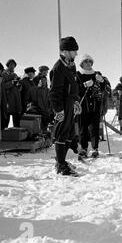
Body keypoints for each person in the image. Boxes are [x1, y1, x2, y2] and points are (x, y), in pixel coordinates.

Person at [49, 36, 82, 176]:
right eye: (74, 51)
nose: (76, 54)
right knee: (62, 134)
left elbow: (73, 86)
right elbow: (54, 92)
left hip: (70, 103)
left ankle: (61, 160)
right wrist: (58, 110)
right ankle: (61, 165)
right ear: (66, 51)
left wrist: (76, 102)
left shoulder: (70, 65)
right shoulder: (58, 68)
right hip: (62, 104)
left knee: (69, 133)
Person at [76, 54, 106, 159]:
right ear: (82, 63)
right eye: (86, 62)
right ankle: (84, 148)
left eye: (90, 62)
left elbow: (104, 88)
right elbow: (75, 90)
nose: (88, 64)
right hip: (83, 106)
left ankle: (95, 148)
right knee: (82, 128)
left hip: (95, 105)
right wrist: (84, 85)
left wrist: (102, 81)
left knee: (94, 128)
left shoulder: (97, 74)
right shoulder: (78, 75)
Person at [1, 59, 22, 128]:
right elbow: (3, 86)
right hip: (7, 100)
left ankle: (16, 135)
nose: (12, 67)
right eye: (11, 65)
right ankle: (4, 135)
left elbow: (19, 88)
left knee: (16, 121)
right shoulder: (3, 74)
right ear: (8, 65)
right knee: (5, 120)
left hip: (15, 100)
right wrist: (12, 82)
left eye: (14, 65)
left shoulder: (15, 74)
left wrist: (19, 84)